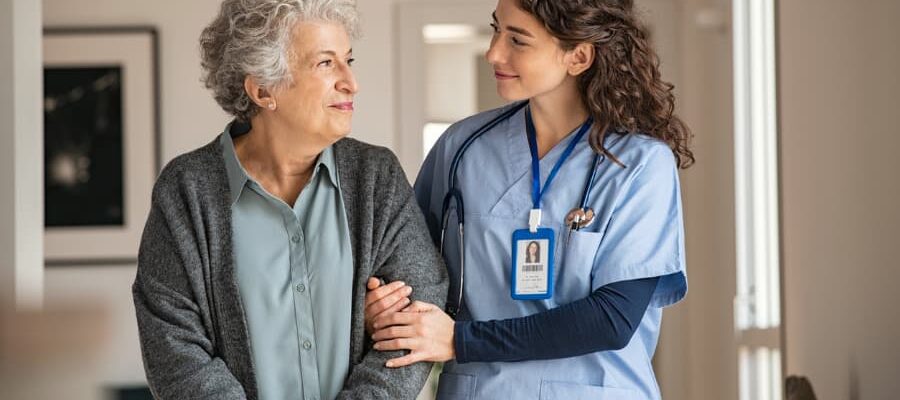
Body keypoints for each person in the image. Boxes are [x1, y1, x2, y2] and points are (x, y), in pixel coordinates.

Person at [363, 0, 692, 398]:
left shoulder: (638, 165)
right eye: (496, 30)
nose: (494, 52)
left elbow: (612, 318)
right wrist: (386, 306)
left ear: (579, 56)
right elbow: (410, 269)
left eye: (518, 40)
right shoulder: (461, 149)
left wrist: (462, 341)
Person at [131, 1, 447, 399]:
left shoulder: (376, 178)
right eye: (326, 64)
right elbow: (174, 348)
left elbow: (417, 315)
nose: (351, 82)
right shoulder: (186, 191)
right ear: (263, 89)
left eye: (348, 60)